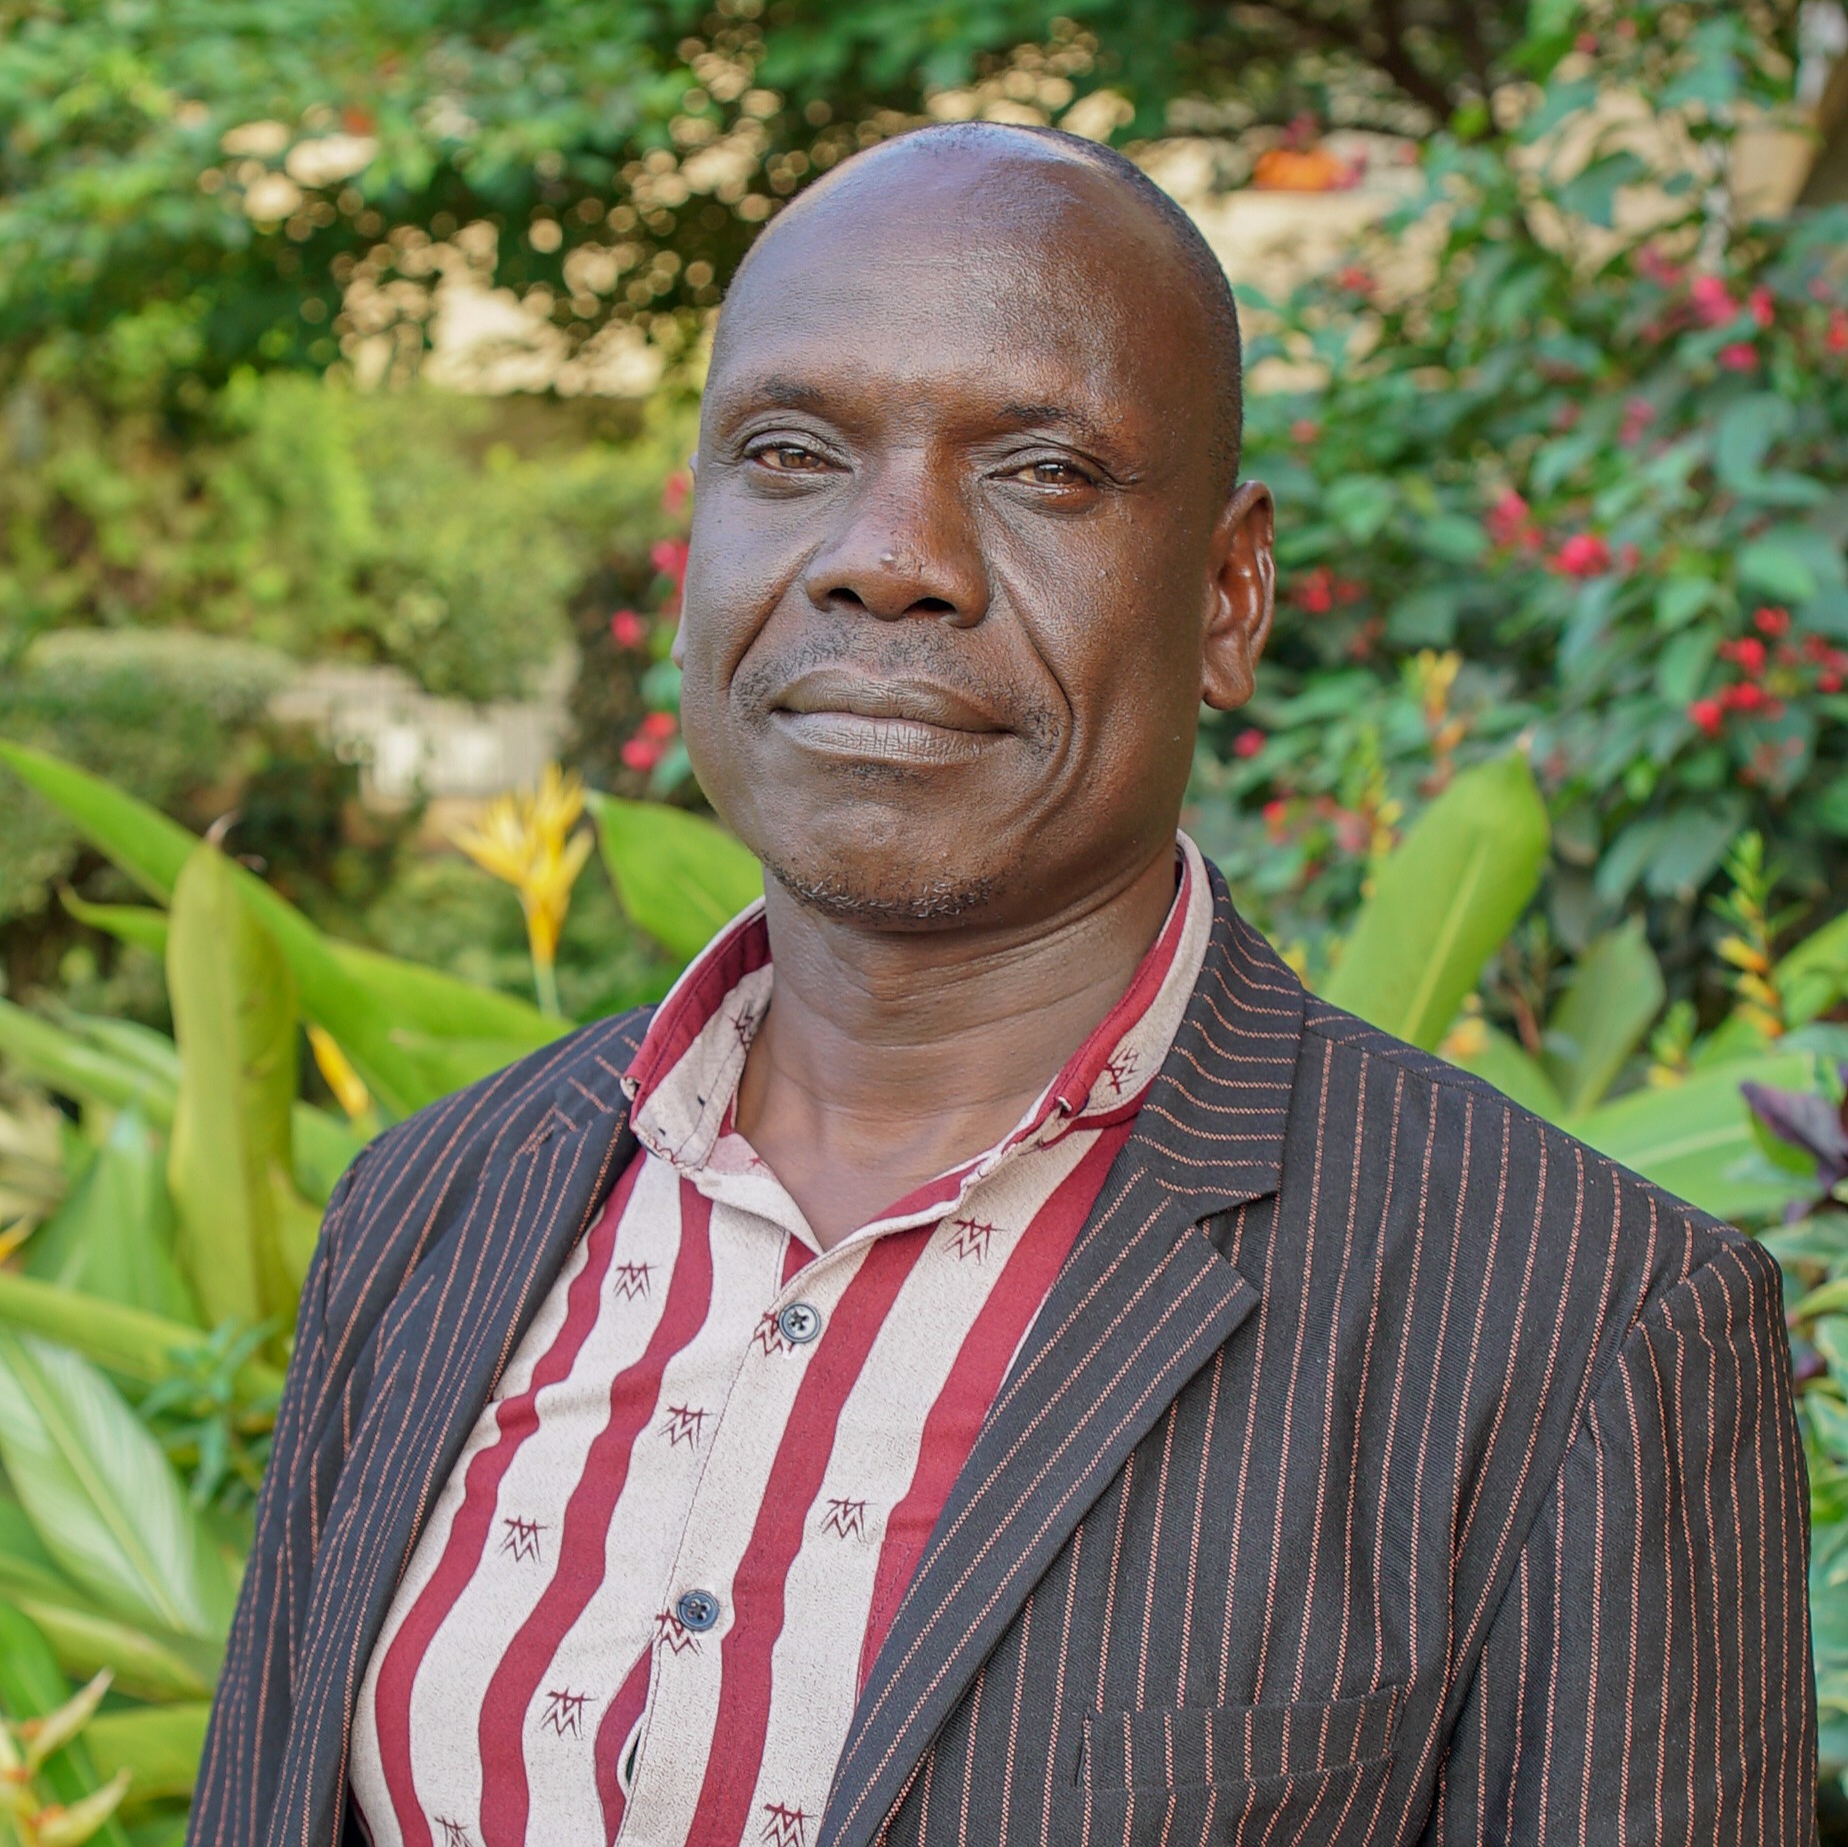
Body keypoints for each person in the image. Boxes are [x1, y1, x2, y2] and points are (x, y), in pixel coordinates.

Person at [190, 122, 1814, 1847]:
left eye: (1041, 469)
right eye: (793, 452)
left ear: (1228, 591)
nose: (887, 556)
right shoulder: (436, 1205)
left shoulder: (1569, 1318)